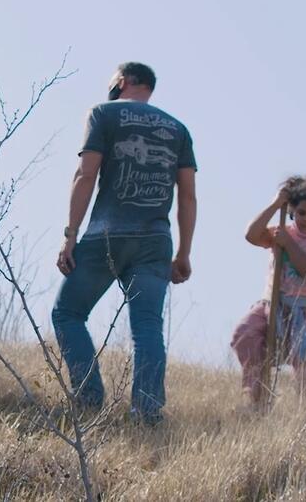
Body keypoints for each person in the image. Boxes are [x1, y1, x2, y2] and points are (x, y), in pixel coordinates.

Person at [51, 62, 197, 424]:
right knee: (147, 327)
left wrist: (70, 236)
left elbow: (86, 175)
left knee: (68, 313)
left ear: (121, 82)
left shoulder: (102, 113)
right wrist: (183, 253)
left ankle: (89, 398)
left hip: (106, 235)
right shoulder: (178, 129)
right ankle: (146, 413)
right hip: (155, 242)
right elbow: (189, 197)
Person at [230, 175, 306, 402]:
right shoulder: (281, 231)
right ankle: (255, 396)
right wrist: (276, 204)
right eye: (301, 213)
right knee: (244, 335)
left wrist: (288, 245)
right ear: (292, 210)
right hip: (272, 305)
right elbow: (251, 235)